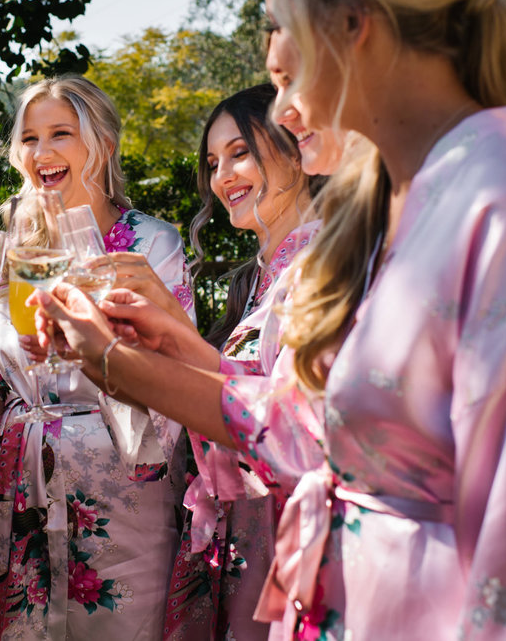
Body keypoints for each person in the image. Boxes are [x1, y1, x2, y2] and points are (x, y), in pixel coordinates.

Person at [34, 0, 506, 638]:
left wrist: (121, 361)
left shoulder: (497, 195)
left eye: (286, 78)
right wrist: (153, 349)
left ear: (353, 25)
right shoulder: (398, 202)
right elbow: (304, 422)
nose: (284, 111)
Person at [0, 74, 192, 640]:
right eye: (30, 138)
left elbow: (177, 373)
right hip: (17, 489)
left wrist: (89, 358)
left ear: (102, 143)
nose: (42, 153)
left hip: (120, 491)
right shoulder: (5, 245)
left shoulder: (150, 244)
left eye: (60, 133)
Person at [163, 83, 319, 640]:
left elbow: (293, 422)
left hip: (282, 531)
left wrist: (166, 335)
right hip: (237, 529)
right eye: (212, 161)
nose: (222, 175)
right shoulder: (257, 277)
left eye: (240, 152)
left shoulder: (319, 267)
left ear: (296, 148)